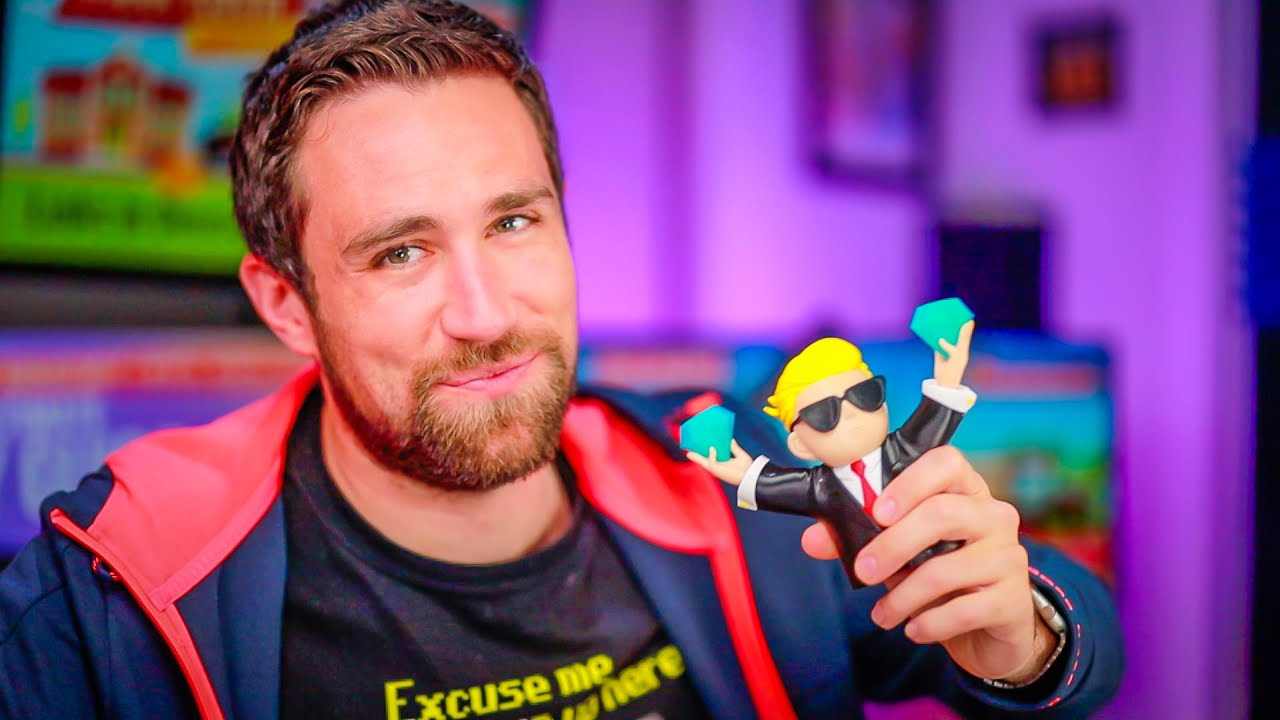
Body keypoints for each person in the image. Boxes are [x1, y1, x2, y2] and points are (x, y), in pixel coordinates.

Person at [0, 2, 1123, 718]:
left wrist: (1022, 636)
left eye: (513, 222)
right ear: (286, 303)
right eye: (400, 253)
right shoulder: (103, 597)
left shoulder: (733, 473)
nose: (484, 312)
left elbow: (1084, 647)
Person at [687, 330, 976, 590]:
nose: (850, 412)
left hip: (941, 557)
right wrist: (743, 472)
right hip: (873, 582)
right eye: (824, 413)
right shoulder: (820, 488)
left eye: (864, 395)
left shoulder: (905, 450)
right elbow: (777, 485)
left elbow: (932, 419)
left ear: (884, 405)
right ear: (800, 445)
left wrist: (948, 381)